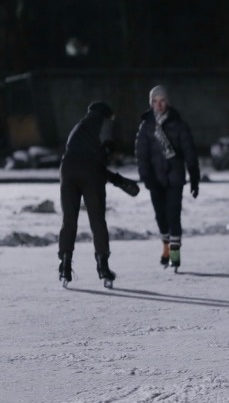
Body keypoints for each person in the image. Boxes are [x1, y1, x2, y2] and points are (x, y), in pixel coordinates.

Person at [58, 101, 139, 289]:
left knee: (69, 220)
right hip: (90, 173)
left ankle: (65, 266)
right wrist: (115, 177)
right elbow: (96, 163)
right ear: (106, 115)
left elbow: (83, 158)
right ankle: (103, 268)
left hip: (67, 170)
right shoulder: (103, 126)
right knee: (97, 221)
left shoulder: (78, 127)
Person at [135, 85, 200, 272]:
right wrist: (146, 177)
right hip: (155, 179)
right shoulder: (146, 126)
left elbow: (189, 152)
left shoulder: (178, 124)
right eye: (155, 101)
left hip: (174, 178)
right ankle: (166, 248)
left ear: (167, 102)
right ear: (151, 103)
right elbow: (141, 155)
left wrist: (194, 177)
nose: (159, 104)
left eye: (162, 100)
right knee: (161, 217)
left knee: (173, 216)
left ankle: (175, 255)